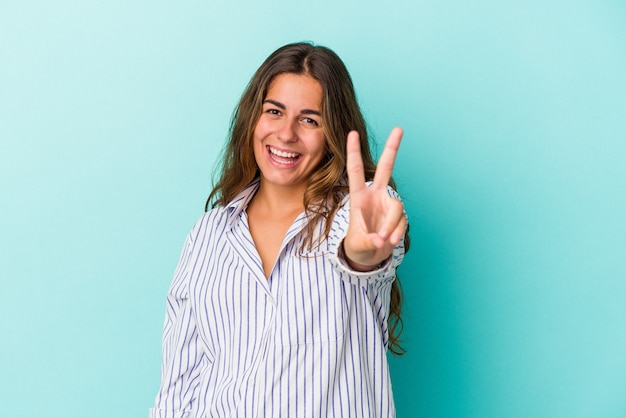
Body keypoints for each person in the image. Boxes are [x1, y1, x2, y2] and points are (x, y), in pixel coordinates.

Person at [150, 41, 409, 418]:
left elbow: (365, 254)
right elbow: (179, 382)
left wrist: (365, 253)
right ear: (253, 118)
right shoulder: (208, 233)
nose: (286, 134)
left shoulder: (358, 213)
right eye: (275, 111)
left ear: (332, 133)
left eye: (310, 120)